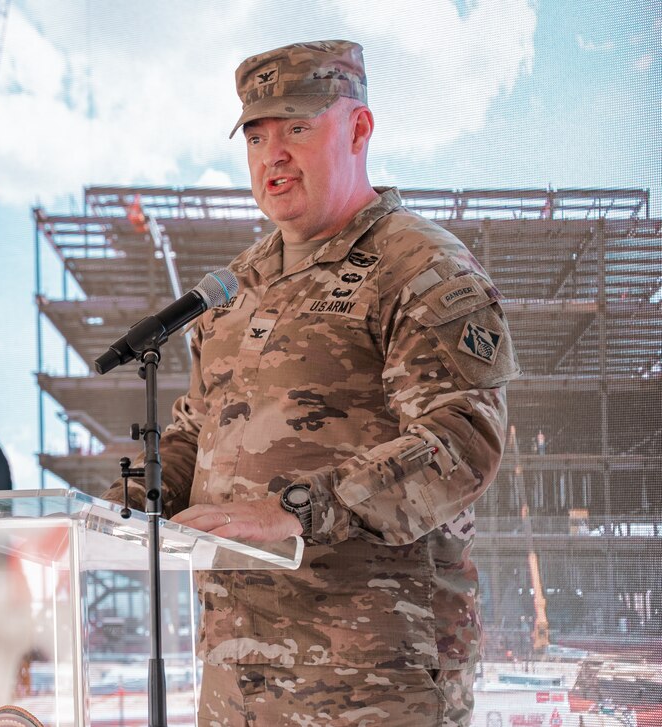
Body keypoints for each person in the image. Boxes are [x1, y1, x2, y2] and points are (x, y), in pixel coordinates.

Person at [104, 40, 520, 726]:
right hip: (238, 675)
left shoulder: (421, 267)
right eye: (258, 135)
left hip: (373, 678)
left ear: (358, 130)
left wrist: (296, 510)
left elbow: (460, 440)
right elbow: (190, 431)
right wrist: (122, 506)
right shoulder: (234, 289)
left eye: (297, 127)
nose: (274, 154)